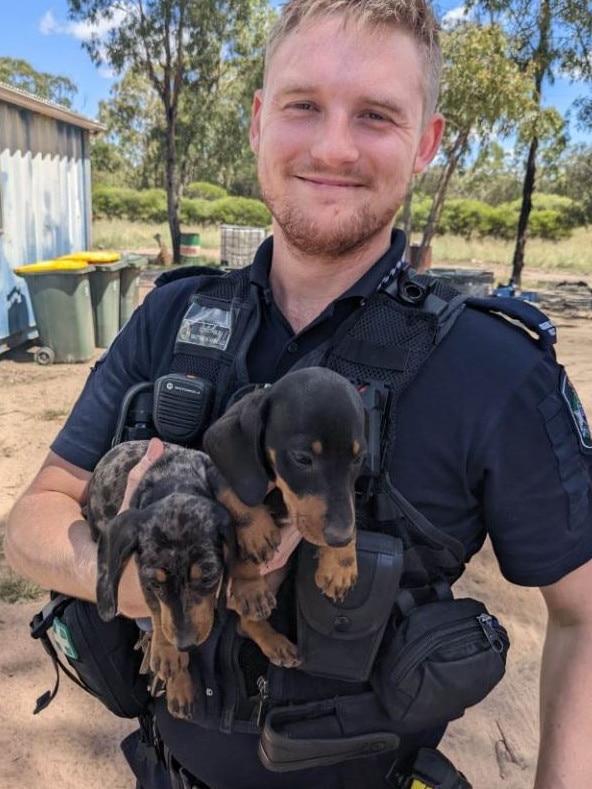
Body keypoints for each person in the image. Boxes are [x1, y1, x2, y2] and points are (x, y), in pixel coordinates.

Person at [6, 0, 592, 786]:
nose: (333, 144)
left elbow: (583, 613)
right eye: (302, 105)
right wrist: (148, 575)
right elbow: (35, 517)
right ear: (257, 122)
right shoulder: (171, 318)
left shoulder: (496, 370)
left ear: (426, 143)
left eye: (376, 115)